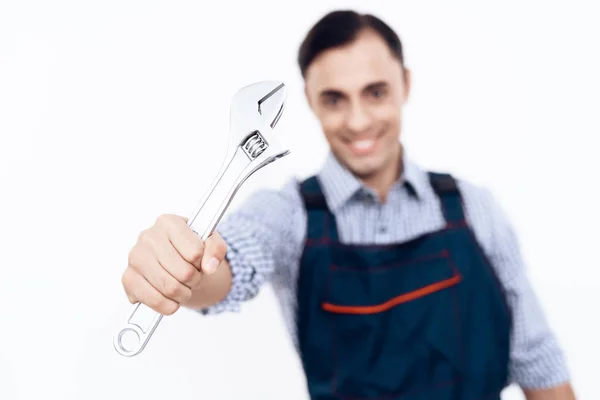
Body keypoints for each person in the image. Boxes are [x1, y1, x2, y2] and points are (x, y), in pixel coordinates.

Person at [121, 9, 576, 400]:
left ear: (406, 84)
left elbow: (536, 358)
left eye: (375, 92)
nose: (358, 121)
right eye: (335, 99)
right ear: (310, 103)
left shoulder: (473, 207)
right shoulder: (288, 216)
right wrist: (183, 266)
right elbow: (225, 268)